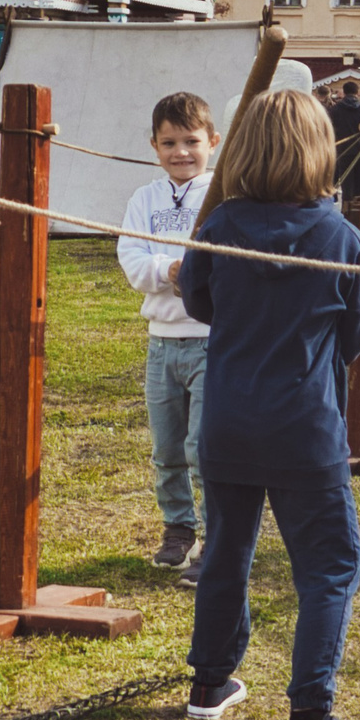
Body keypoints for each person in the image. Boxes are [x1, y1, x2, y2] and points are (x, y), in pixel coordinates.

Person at [176, 87, 360, 720]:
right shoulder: (342, 238)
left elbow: (199, 299)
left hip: (229, 422)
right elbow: (356, 334)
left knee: (226, 550)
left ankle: (209, 680)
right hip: (304, 428)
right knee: (330, 567)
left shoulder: (218, 226)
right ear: (321, 150)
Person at [117, 91, 218, 574]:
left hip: (210, 341)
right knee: (168, 448)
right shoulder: (145, 199)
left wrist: (195, 274)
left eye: (191, 141)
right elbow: (131, 258)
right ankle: (179, 527)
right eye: (169, 143)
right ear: (154, 146)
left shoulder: (224, 196)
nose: (181, 152)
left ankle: (218, 536)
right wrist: (169, 269)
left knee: (204, 447)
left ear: (213, 141)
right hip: (161, 344)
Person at [324, 78, 360, 202]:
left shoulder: (335, 110)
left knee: (346, 183)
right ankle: (357, 209)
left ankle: (346, 208)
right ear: (357, 92)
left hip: (343, 149)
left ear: (344, 92)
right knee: (359, 184)